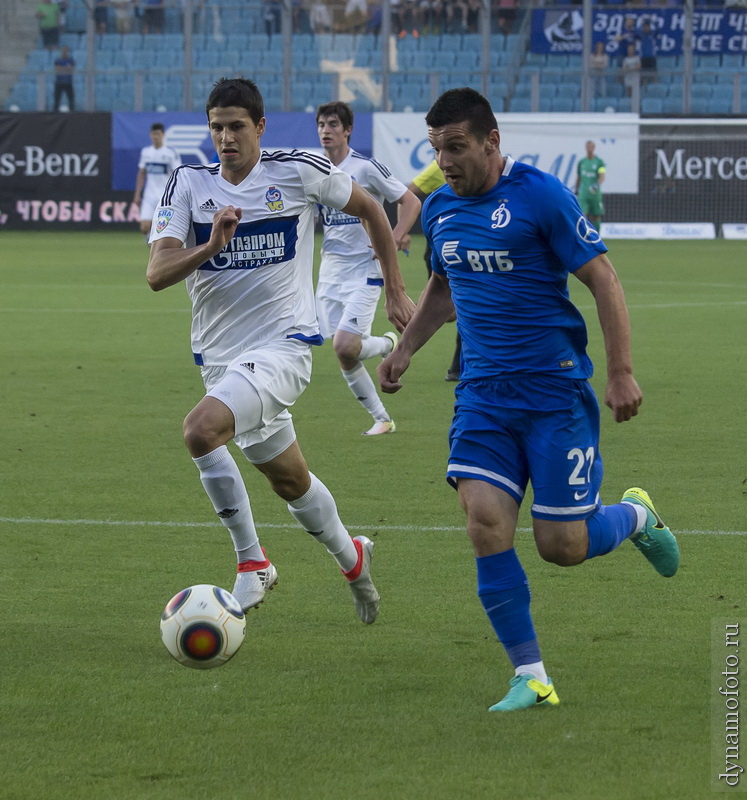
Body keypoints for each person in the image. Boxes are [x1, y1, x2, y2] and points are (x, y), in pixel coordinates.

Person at [378, 88, 679, 712]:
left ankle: (636, 517)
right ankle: (532, 676)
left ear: (491, 141)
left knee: (560, 547)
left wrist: (620, 371)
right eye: (438, 149)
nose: (447, 161)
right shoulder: (440, 209)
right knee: (485, 522)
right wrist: (407, 349)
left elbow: (603, 278)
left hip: (554, 392)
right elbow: (443, 283)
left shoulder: (540, 195)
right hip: (483, 397)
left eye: (457, 147)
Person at [146, 78, 415, 623]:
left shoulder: (296, 170)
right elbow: (157, 273)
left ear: (260, 127)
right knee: (291, 480)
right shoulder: (188, 184)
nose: (226, 137)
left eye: (237, 126)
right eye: (217, 127)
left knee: (201, 430)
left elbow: (374, 211)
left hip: (284, 348)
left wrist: (395, 286)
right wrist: (213, 245)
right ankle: (353, 558)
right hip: (221, 362)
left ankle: (252, 565)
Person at [316, 101, 421, 436]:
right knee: (345, 353)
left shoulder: (365, 167)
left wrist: (394, 236)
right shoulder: (317, 169)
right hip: (330, 271)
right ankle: (382, 419)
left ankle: (388, 344)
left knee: (344, 345)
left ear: (348, 130)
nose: (325, 130)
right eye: (321, 125)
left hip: (365, 269)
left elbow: (410, 200)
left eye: (333, 124)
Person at [407, 158, 461, 382]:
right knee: (451, 308)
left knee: (465, 303)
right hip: (441, 248)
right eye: (438, 150)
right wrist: (403, 230)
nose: (445, 157)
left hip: (461, 246)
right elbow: (410, 192)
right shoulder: (437, 168)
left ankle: (458, 365)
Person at [134, 122, 181, 238]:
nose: (156, 137)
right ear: (150, 135)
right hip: (149, 195)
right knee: (145, 227)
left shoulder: (171, 153)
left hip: (165, 196)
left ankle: (162, 252)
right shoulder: (146, 152)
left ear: (163, 135)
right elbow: (142, 173)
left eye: (158, 134)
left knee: (163, 228)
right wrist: (137, 193)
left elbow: (177, 174)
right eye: (153, 134)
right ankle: (155, 251)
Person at [575, 139, 605, 232]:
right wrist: (576, 190)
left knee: (596, 216)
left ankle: (597, 237)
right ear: (585, 148)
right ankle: (585, 237)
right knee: (582, 216)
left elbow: (602, 176)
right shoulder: (582, 162)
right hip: (583, 193)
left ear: (594, 148)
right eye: (588, 147)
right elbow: (579, 177)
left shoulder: (599, 162)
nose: (589, 149)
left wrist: (596, 185)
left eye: (591, 147)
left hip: (595, 194)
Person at [53, 45, 75, 111]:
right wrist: (66, 68)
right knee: (57, 98)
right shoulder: (58, 60)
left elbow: (71, 68)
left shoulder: (71, 60)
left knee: (71, 98)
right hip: (59, 82)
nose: (64, 52)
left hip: (68, 82)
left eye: (66, 51)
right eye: (63, 50)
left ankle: (72, 112)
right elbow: (57, 69)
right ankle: (55, 112)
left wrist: (63, 68)